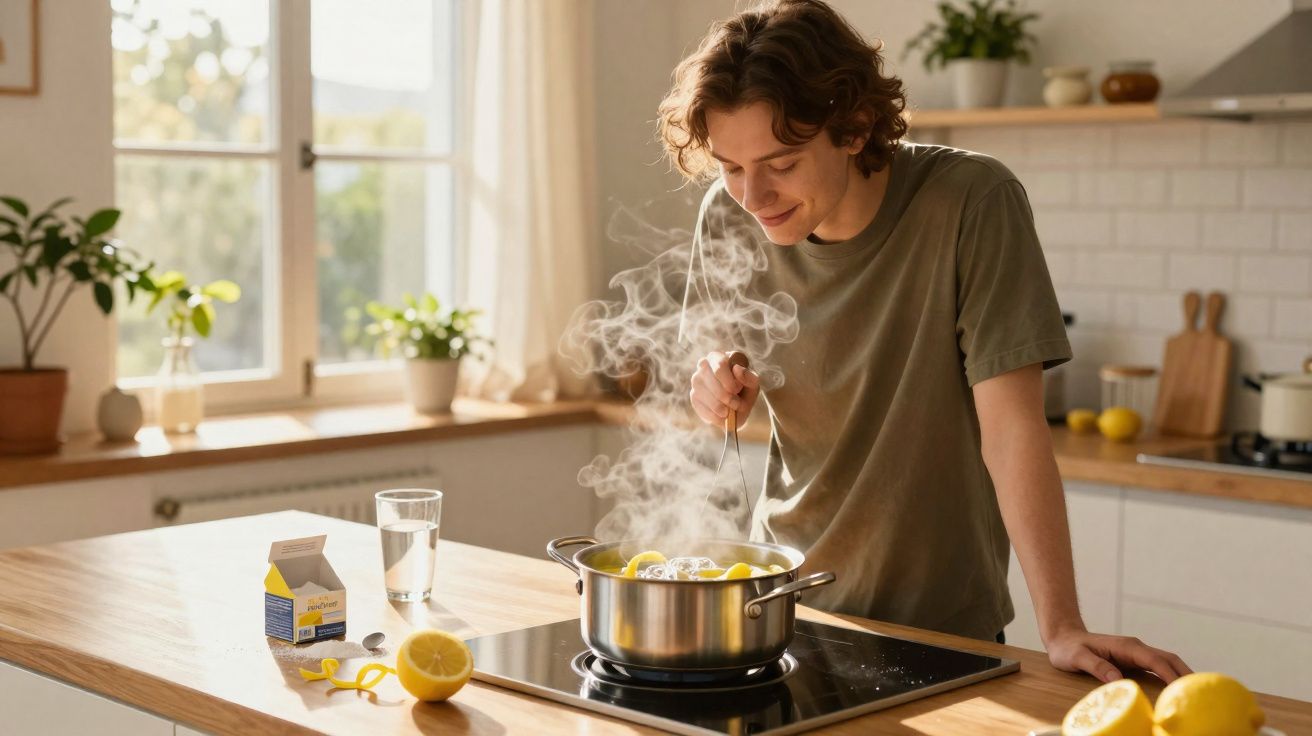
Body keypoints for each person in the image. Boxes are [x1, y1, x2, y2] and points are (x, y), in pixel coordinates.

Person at [659, 0, 1191, 684]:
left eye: (781, 162)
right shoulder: (729, 218)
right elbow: (716, 381)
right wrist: (717, 386)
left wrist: (1062, 625)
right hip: (785, 614)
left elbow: (1013, 430)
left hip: (942, 632)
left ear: (854, 128)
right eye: (731, 167)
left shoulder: (971, 201)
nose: (753, 196)